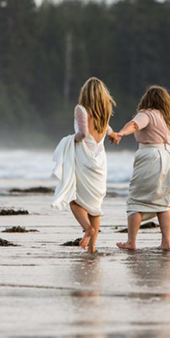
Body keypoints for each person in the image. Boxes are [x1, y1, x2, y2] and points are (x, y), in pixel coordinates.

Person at [51, 77, 118, 253]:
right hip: (100, 161)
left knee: (74, 199)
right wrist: (115, 135)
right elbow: (109, 130)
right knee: (95, 207)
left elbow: (82, 133)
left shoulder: (81, 109)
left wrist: (70, 139)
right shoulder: (104, 111)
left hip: (84, 158)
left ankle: (87, 229)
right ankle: (92, 248)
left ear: (85, 92)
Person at [114, 85, 170, 250]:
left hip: (150, 156)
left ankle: (131, 242)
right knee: (163, 203)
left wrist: (121, 133)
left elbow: (134, 125)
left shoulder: (147, 114)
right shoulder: (169, 119)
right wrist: (166, 154)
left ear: (147, 99)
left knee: (136, 201)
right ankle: (166, 243)